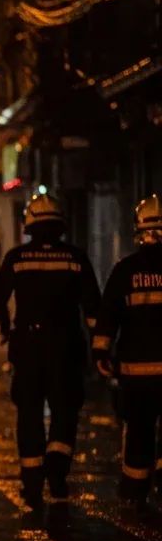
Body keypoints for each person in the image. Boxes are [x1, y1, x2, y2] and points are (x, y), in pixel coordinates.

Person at [0, 192, 101, 508]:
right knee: (64, 412)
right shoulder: (76, 258)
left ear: (29, 225)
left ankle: (32, 485)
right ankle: (57, 474)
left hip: (29, 349)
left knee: (30, 414)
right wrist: (101, 350)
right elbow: (93, 310)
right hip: (66, 349)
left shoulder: (17, 258)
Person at [92, 194, 162, 511]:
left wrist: (100, 354)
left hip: (136, 374)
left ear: (138, 231)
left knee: (138, 432)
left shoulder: (125, 271)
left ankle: (135, 492)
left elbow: (108, 317)